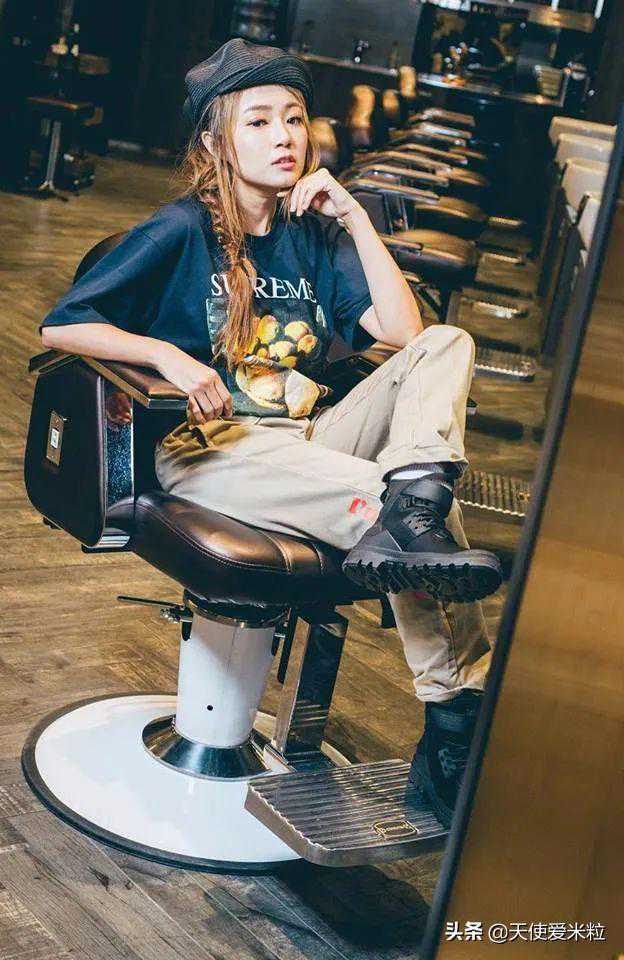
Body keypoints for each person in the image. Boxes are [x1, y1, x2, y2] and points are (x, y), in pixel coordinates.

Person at [39, 38, 501, 827]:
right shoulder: (181, 230)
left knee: (445, 348)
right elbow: (62, 325)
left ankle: (414, 507)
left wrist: (354, 217)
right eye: (258, 121)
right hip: (210, 448)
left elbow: (404, 334)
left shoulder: (314, 236)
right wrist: (166, 356)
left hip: (307, 437)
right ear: (216, 139)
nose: (285, 136)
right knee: (399, 510)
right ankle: (454, 729)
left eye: (294, 118)